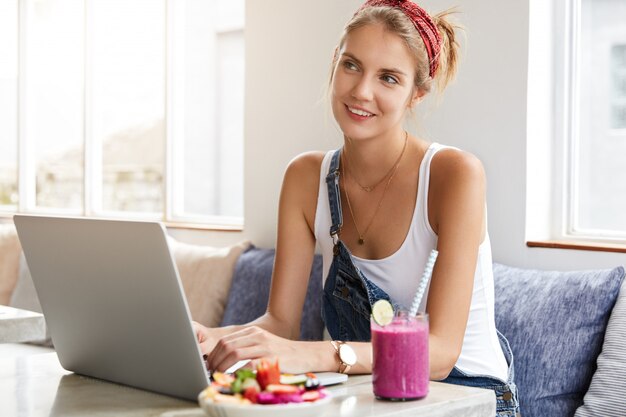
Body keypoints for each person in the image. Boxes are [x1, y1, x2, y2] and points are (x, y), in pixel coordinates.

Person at [194, 0, 520, 414]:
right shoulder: (304, 177)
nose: (362, 91)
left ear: (416, 94)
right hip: (366, 397)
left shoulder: (454, 175)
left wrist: (315, 356)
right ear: (334, 63)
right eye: (351, 65)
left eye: (388, 78)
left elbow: (439, 354)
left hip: (463, 396)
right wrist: (209, 339)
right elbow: (279, 323)